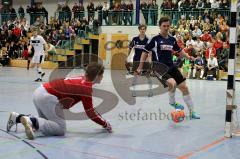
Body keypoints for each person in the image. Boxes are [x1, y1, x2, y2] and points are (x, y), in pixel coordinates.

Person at [6, 63, 112, 140]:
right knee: (60, 129)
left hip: (40, 92)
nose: (102, 77)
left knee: (48, 124)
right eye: (102, 75)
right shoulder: (86, 87)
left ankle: (18, 117)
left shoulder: (82, 79)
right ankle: (30, 120)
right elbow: (90, 112)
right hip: (48, 97)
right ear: (97, 76)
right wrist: (105, 124)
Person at [137, 16, 200, 119]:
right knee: (172, 83)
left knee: (184, 88)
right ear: (160, 26)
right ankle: (172, 102)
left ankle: (192, 112)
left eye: (168, 26)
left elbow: (179, 51)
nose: (166, 28)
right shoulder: (155, 39)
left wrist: (189, 57)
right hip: (159, 68)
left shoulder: (172, 39)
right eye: (164, 26)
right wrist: (140, 67)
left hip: (171, 66)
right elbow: (144, 52)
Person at [125, 24, 154, 97]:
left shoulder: (148, 40)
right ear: (139, 30)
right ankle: (133, 92)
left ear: (145, 30)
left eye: (144, 29)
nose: (142, 30)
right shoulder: (135, 39)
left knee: (147, 75)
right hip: (136, 60)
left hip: (145, 61)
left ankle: (150, 91)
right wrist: (127, 57)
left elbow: (150, 51)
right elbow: (130, 48)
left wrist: (149, 58)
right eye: (141, 29)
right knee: (135, 75)